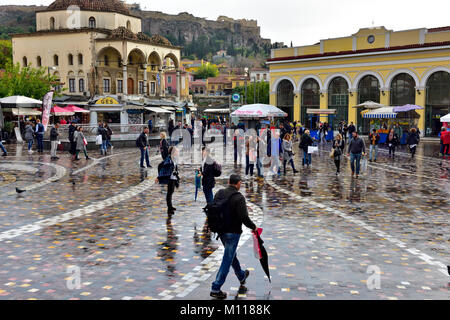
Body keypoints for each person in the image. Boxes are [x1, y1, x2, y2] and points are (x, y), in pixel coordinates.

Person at [210, 174, 258, 300]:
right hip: (233, 232)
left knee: (231, 255)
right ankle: (216, 288)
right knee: (227, 258)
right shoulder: (239, 197)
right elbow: (244, 217)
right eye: (240, 183)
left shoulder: (219, 193)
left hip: (221, 231)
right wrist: (253, 226)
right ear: (238, 184)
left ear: (229, 182)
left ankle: (241, 275)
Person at [157, 146, 179, 217]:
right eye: (176, 151)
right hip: (170, 178)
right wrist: (158, 177)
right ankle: (169, 208)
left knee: (171, 192)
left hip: (173, 178)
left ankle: (171, 206)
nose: (177, 153)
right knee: (169, 193)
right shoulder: (168, 159)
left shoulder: (174, 159)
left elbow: (175, 168)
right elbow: (163, 168)